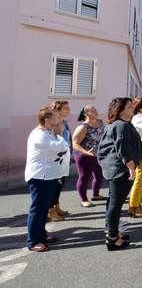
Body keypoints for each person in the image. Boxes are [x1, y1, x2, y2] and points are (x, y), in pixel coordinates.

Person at [97, 97, 141, 251]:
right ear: (120, 110)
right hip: (120, 170)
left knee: (113, 202)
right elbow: (123, 149)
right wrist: (131, 168)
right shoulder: (121, 125)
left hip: (115, 169)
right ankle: (112, 237)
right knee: (115, 204)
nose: (132, 109)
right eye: (129, 107)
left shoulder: (118, 124)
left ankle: (112, 231)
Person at [25, 107, 70, 252]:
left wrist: (57, 135)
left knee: (44, 208)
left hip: (49, 175)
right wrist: (59, 135)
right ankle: (33, 241)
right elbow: (61, 146)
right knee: (38, 208)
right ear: (47, 120)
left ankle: (41, 235)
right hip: (40, 176)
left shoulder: (47, 132)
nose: (59, 120)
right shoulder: (40, 135)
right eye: (56, 117)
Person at [71, 105, 105, 207]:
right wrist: (86, 152)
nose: (96, 112)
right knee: (84, 177)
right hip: (84, 156)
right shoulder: (83, 127)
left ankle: (96, 194)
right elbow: (75, 143)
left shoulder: (100, 122)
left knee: (99, 176)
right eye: (92, 111)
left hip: (98, 155)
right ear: (86, 114)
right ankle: (84, 200)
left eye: (95, 110)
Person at [47, 101, 72, 222]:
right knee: (55, 184)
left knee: (60, 183)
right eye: (65, 108)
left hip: (64, 157)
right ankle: (50, 211)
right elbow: (56, 141)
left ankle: (56, 206)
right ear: (57, 110)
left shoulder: (64, 123)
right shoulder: (55, 124)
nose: (68, 110)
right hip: (57, 159)